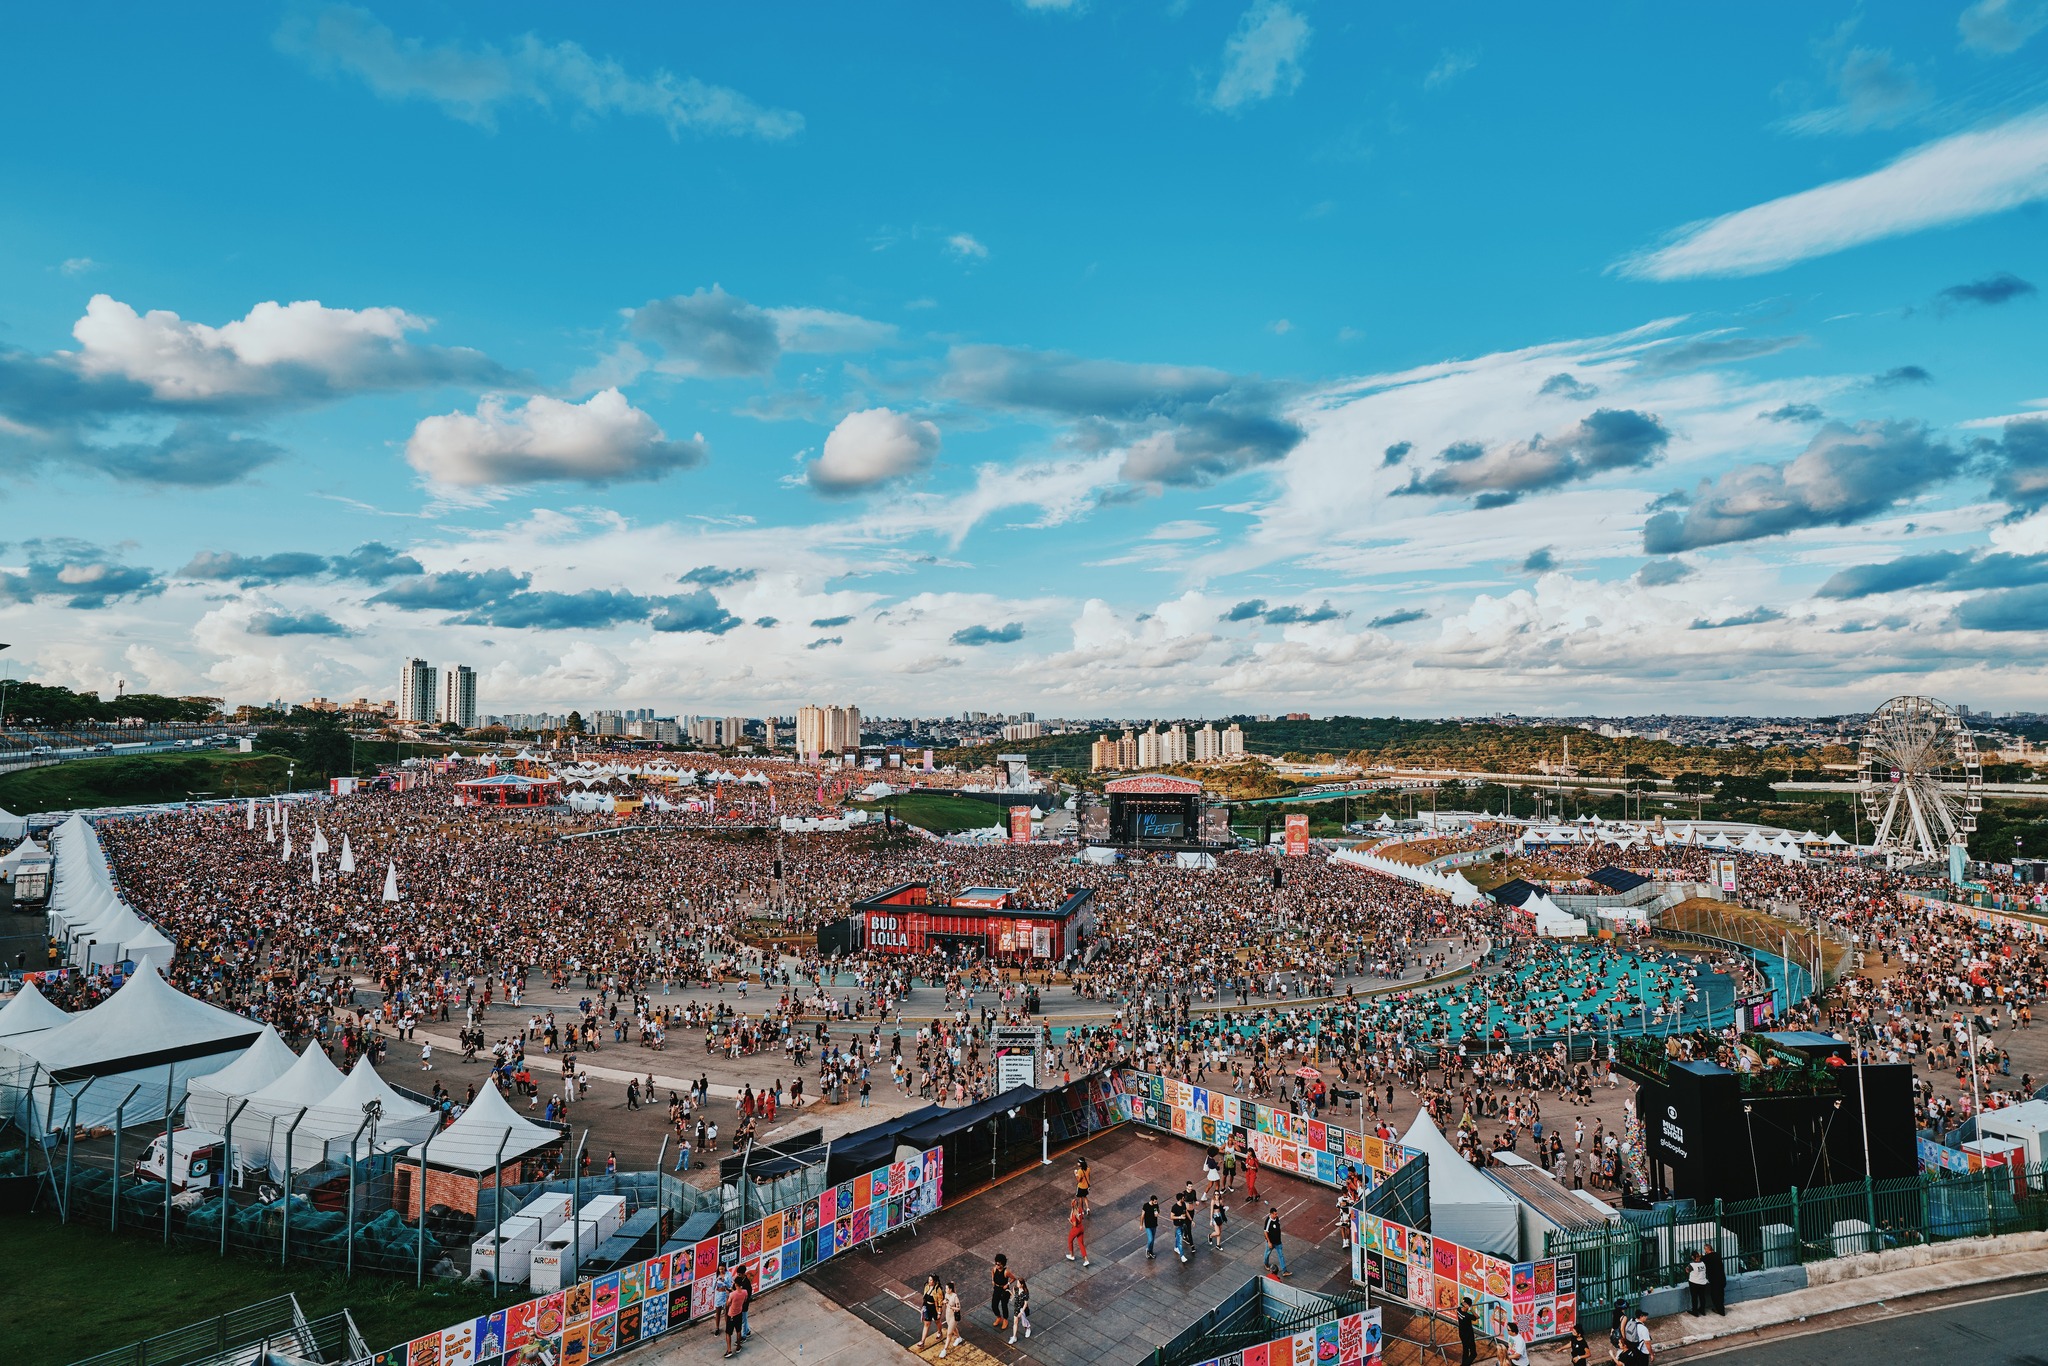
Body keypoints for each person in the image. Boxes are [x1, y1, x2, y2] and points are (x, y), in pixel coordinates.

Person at [1263, 1204, 1290, 1277]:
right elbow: (1265, 1231)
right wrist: (1269, 1242)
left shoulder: (1277, 1218)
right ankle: (1265, 1263)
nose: (1276, 1215)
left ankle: (1284, 1271)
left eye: (1276, 1213)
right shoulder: (1268, 1221)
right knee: (1267, 1253)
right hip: (1271, 1242)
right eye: (1275, 1214)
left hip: (1278, 1242)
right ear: (1271, 1214)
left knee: (1281, 1255)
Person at [1007, 1273, 1032, 1344]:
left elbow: (1025, 1303)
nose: (1017, 1284)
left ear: (1022, 1284)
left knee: (1024, 1321)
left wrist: (1022, 1312)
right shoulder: (1015, 1288)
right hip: (1016, 1307)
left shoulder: (1025, 1292)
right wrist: (1010, 1295)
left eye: (1018, 1283)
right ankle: (1014, 1337)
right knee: (1015, 1322)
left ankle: (1027, 1328)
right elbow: (1014, 1296)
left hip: (1022, 1308)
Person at [941, 1281, 964, 1358]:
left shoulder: (955, 1297)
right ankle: (958, 1338)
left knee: (949, 1333)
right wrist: (944, 1302)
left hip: (953, 1316)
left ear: (950, 1289)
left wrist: (951, 1307)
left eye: (947, 1288)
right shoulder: (946, 1294)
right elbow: (945, 1301)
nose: (945, 1289)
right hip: (948, 1315)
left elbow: (958, 1308)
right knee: (953, 1328)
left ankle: (944, 1350)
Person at [1066, 1196, 1091, 1266]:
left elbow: (1074, 1224)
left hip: (1075, 1229)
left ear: (1072, 1205)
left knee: (1070, 1241)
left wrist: (1069, 1221)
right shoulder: (1080, 1209)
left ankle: (1072, 1255)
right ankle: (1086, 1260)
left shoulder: (1074, 1214)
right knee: (1081, 1244)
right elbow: (1082, 1217)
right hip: (1081, 1228)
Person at [1702, 1245, 1726, 1315]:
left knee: (1715, 1295)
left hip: (1714, 1279)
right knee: (1721, 1294)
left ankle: (1719, 1310)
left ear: (1706, 1250)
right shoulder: (1717, 1255)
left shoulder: (1707, 1257)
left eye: (1705, 1250)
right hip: (1721, 1278)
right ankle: (1721, 1308)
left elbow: (1702, 1259)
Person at [918, 1276, 941, 1349]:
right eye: (929, 1280)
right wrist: (923, 1307)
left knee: (937, 1321)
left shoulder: (938, 1290)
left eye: (931, 1280)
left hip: (935, 1308)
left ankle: (939, 1332)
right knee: (926, 1324)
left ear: (934, 1281)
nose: (929, 1281)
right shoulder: (926, 1286)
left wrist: (939, 1312)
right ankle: (922, 1341)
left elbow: (940, 1302)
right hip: (927, 1307)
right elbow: (924, 1298)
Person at [990, 1253, 1011, 1333]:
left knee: (1004, 1305)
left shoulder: (1006, 1272)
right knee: (994, 1304)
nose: (997, 1265)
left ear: (1002, 1264)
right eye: (996, 1263)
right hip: (997, 1288)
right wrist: (992, 1280)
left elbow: (1013, 1278)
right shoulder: (994, 1269)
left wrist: (1007, 1284)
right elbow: (992, 1273)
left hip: (1004, 1290)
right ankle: (999, 1317)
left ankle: (1005, 1319)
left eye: (998, 1264)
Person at [1457, 1297, 1480, 1366]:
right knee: (1473, 1354)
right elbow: (1477, 1317)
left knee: (1465, 1351)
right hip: (1469, 1335)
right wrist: (1471, 1309)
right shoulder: (1467, 1316)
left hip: (1461, 1334)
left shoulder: (1458, 1310)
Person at [1686, 1250, 1708, 1316]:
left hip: (1694, 1282)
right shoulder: (1703, 1263)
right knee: (1702, 1297)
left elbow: (1687, 1271)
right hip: (1703, 1282)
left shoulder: (1692, 1264)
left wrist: (1686, 1268)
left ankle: (1695, 1311)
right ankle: (1702, 1310)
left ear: (1692, 1257)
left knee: (1694, 1297)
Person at [1141, 1195, 1161, 1259]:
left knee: (1152, 1240)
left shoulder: (1156, 1205)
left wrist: (1157, 1213)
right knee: (1150, 1239)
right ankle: (1148, 1250)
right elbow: (1142, 1216)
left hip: (1154, 1224)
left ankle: (1151, 1252)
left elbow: (1158, 1211)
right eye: (1154, 1201)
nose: (1155, 1203)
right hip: (1148, 1225)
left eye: (1156, 1202)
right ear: (1151, 1200)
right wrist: (1141, 1225)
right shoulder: (1146, 1205)